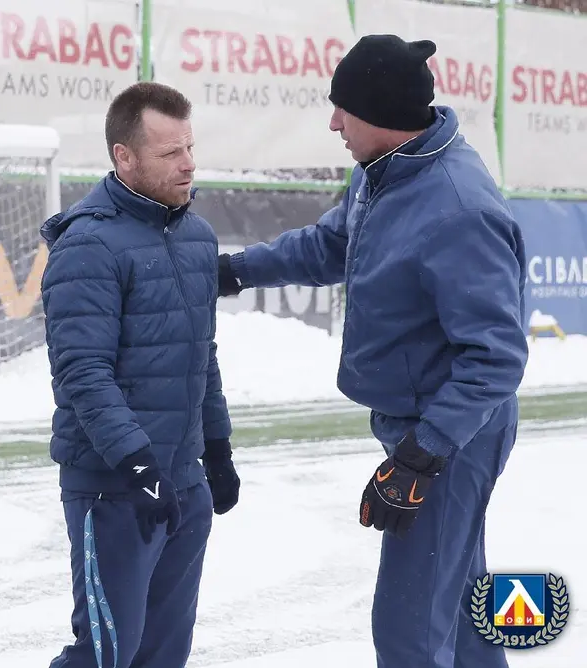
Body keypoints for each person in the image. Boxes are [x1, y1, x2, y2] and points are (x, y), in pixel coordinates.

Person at [217, 35, 527, 668]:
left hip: (455, 435)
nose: (333, 122)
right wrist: (235, 271)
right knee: (462, 612)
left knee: (408, 632)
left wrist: (423, 454)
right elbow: (331, 245)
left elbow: (495, 356)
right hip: (426, 424)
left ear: (383, 114)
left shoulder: (458, 208)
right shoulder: (381, 173)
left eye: (344, 109)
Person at [40, 81, 240, 668]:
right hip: (114, 486)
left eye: (189, 147)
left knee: (164, 654)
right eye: (169, 152)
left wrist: (218, 449)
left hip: (183, 482)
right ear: (123, 157)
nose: (188, 163)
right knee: (105, 653)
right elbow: (83, 372)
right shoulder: (88, 245)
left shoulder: (197, 237)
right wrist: (137, 466)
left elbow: (201, 354)